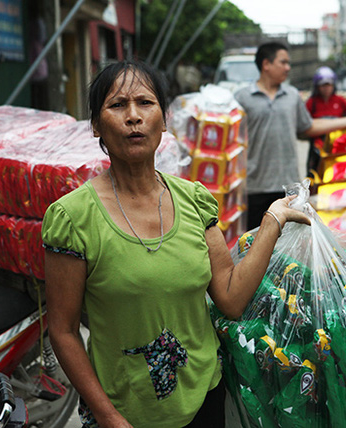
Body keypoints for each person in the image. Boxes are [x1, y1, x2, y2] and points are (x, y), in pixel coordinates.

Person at [41, 60, 310, 428]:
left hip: (205, 397)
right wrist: (108, 417)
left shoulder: (194, 200)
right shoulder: (72, 218)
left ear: (164, 120)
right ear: (95, 125)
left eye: (145, 103)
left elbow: (230, 298)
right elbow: (64, 330)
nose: (133, 116)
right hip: (126, 411)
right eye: (117, 105)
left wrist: (272, 221)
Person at [234, 42, 346, 230]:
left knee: (286, 250)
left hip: (287, 189)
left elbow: (309, 126)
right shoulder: (242, 98)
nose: (288, 68)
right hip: (254, 187)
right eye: (283, 62)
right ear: (266, 64)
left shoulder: (292, 96)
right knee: (253, 246)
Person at [305, 66, 346, 177]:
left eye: (329, 85)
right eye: (323, 85)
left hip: (337, 146)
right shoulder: (312, 103)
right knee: (314, 175)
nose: (326, 88)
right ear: (317, 86)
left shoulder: (340, 101)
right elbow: (304, 123)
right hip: (317, 147)